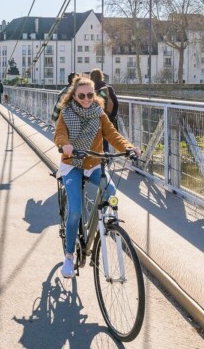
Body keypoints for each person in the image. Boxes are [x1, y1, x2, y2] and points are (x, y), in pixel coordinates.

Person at [54, 75, 140, 279]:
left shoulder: (99, 113)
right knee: (75, 210)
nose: (86, 99)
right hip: (72, 164)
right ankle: (69, 256)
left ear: (94, 95)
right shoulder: (66, 113)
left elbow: (112, 134)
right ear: (74, 96)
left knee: (110, 192)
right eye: (82, 95)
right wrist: (65, 145)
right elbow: (59, 134)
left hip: (93, 163)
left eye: (90, 95)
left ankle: (103, 226)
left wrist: (128, 147)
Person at [90, 68, 119, 150]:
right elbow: (116, 104)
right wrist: (111, 117)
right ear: (101, 76)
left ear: (91, 77)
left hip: (93, 119)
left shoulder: (89, 88)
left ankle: (94, 156)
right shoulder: (108, 88)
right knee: (105, 142)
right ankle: (105, 155)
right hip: (106, 117)